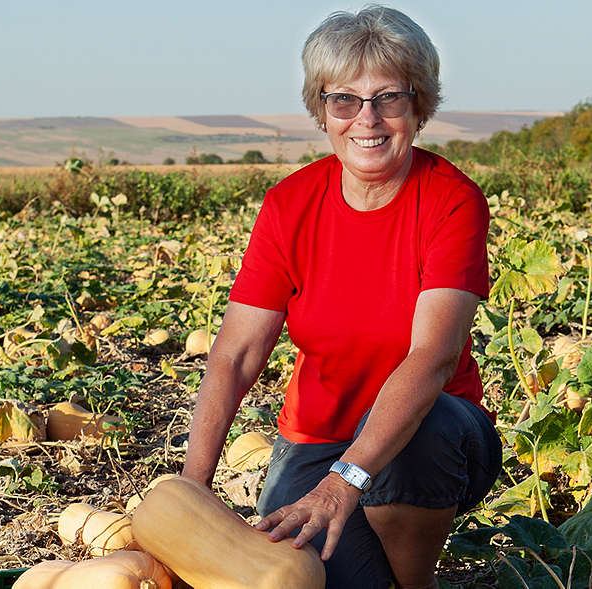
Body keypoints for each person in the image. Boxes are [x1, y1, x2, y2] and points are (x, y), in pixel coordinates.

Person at [181, 6, 501, 588]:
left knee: (417, 443)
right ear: (321, 110)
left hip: (436, 433)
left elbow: (432, 358)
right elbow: (236, 355)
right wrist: (192, 489)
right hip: (316, 438)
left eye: (389, 98)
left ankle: (416, 581)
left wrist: (342, 484)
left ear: (419, 105)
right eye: (344, 100)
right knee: (305, 576)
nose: (367, 119)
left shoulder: (451, 201)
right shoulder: (289, 205)